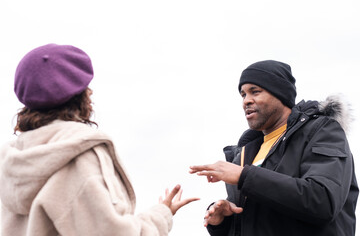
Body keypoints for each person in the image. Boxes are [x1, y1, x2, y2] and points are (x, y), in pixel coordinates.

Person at [0, 44, 199, 236]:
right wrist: (162, 215)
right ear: (80, 96)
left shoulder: (10, 161)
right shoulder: (78, 153)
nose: (91, 92)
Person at [189, 60, 358, 236]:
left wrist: (243, 176)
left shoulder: (321, 130)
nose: (246, 101)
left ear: (280, 94)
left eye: (255, 92)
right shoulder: (244, 154)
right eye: (243, 95)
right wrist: (222, 222)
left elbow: (323, 201)